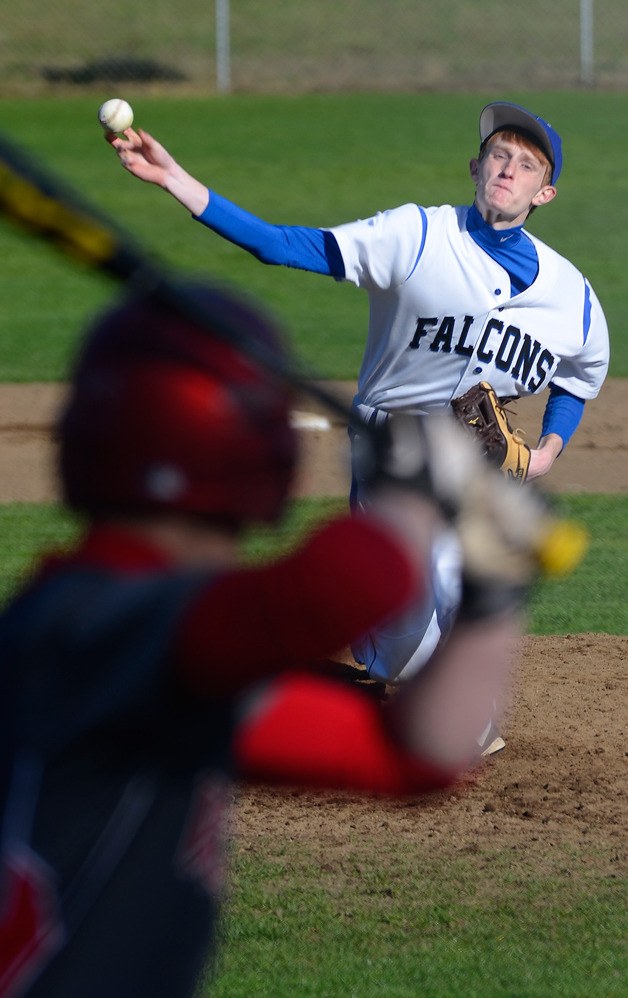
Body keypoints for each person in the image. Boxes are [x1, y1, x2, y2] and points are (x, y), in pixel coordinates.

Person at [0, 278, 556, 997]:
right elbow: (328, 596)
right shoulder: (87, 627)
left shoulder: (150, 667)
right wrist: (418, 491)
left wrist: (491, 594)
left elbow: (418, 756)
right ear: (262, 460)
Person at [103, 100, 609, 695]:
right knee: (403, 646)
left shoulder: (570, 297)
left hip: (471, 468)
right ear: (475, 167)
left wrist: (548, 451)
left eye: (526, 165)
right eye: (499, 155)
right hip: (388, 450)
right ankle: (388, 652)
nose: (507, 169)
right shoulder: (415, 234)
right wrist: (175, 180)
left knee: (452, 586)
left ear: (543, 194)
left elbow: (578, 377)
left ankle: (459, 716)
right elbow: (279, 245)